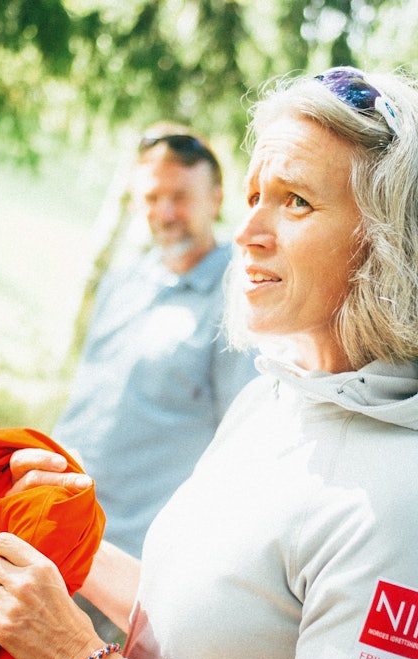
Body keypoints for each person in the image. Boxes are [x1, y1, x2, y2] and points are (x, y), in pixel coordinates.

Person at [0, 66, 418, 659]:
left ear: (395, 241)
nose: (248, 233)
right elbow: (196, 620)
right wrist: (69, 536)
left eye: (295, 201)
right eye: (254, 195)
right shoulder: (276, 398)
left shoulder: (411, 505)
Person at [54, 121, 257, 561]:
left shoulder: (241, 305)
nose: (164, 213)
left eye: (180, 197)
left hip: (135, 557)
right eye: (151, 198)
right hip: (56, 525)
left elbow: (241, 448)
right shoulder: (123, 280)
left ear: (216, 199)